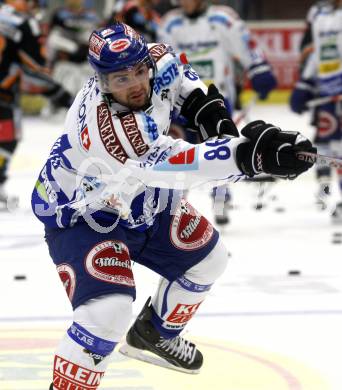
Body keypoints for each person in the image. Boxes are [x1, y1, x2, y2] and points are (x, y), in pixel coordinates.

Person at [30, 22, 315, 389]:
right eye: (120, 79)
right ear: (101, 81)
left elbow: (185, 85)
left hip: (139, 198)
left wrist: (215, 119)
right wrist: (249, 154)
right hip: (84, 212)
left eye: (138, 71)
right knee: (107, 313)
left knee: (209, 260)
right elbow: (184, 167)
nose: (135, 84)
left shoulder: (158, 59)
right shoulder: (111, 132)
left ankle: (155, 333)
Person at [157, 0, 277, 224]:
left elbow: (247, 45)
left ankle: (221, 199)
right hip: (183, 101)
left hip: (217, 98)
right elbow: (163, 62)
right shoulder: (170, 24)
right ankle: (176, 207)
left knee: (219, 150)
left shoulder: (223, 18)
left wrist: (259, 69)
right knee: (179, 154)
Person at [0, 0, 73, 209]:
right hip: (3, 93)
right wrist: (60, 94)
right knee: (6, 136)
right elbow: (35, 68)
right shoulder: (24, 23)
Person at [290, 0, 342, 221]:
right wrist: (306, 83)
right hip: (328, 95)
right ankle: (325, 184)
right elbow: (318, 52)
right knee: (329, 144)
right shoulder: (319, 15)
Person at [46, 0, 101, 96]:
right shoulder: (60, 14)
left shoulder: (91, 16)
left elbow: (95, 36)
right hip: (65, 56)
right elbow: (51, 35)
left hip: (84, 61)